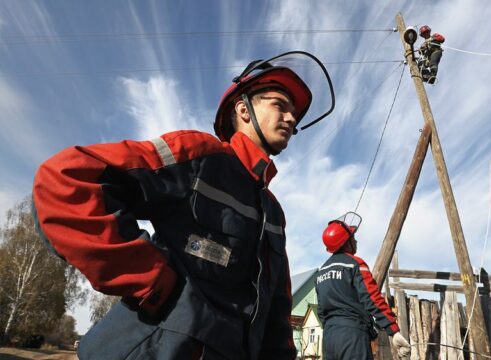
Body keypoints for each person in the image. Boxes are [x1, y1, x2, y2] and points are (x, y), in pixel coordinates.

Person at [32, 51, 335, 360]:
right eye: (279, 105)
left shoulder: (273, 213)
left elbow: (277, 311)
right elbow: (66, 179)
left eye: (294, 112)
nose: (291, 118)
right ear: (244, 110)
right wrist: (153, 281)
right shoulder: (199, 157)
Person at [315, 212, 411, 359]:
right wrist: (393, 330)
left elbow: (321, 310)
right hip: (352, 336)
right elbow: (373, 298)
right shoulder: (355, 263)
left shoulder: (321, 272)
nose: (356, 241)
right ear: (346, 242)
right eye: (353, 237)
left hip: (329, 338)